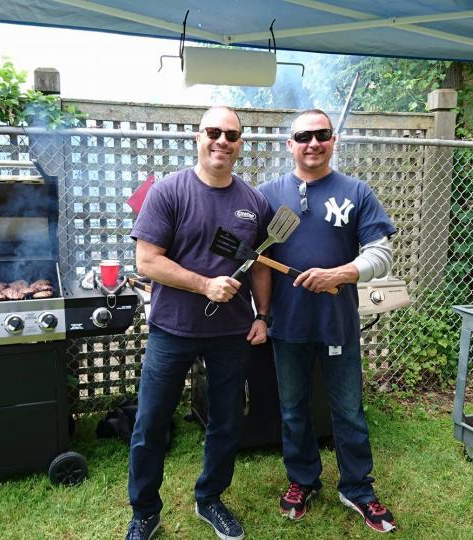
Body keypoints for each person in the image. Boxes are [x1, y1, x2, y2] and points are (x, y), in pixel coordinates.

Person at [125, 106, 272, 540]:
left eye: (232, 135)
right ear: (198, 136)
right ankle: (145, 512)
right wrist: (204, 285)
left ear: (240, 143)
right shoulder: (169, 191)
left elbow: (260, 264)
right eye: (214, 132)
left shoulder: (254, 201)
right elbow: (147, 260)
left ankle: (210, 499)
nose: (222, 141)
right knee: (151, 422)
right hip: (172, 329)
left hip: (230, 333)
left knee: (227, 421)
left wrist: (262, 315)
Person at [257, 109, 398, 533]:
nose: (313, 143)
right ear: (290, 144)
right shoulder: (267, 195)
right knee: (293, 409)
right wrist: (262, 315)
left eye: (322, 135)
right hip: (288, 324)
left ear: (333, 140)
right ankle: (302, 479)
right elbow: (260, 263)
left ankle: (357, 487)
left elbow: (381, 253)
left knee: (349, 410)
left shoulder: (356, 191)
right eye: (303, 136)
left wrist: (341, 273)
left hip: (337, 323)